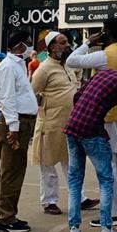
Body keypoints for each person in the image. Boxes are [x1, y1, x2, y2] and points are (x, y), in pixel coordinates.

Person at [67, 19, 117, 227]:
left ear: (105, 33)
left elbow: (72, 61)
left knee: (107, 168)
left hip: (104, 117)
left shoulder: (103, 56)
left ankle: (113, 212)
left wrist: (88, 42)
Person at [63, 65, 117, 232]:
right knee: (106, 179)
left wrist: (87, 116)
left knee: (74, 180)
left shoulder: (102, 73)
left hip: (72, 127)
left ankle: (74, 230)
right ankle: (106, 228)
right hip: (93, 133)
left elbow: (77, 95)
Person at [0, 29, 38, 232]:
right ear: (20, 45)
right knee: (11, 171)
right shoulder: (9, 67)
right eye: (28, 43)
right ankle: (4, 218)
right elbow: (7, 99)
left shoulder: (19, 65)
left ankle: (9, 215)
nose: (31, 48)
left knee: (17, 169)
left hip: (22, 121)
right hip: (14, 122)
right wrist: (14, 128)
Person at [30, 32, 77, 215]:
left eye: (67, 42)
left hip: (69, 123)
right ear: (52, 47)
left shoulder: (68, 66)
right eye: (63, 42)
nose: (67, 45)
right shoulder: (43, 69)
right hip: (49, 124)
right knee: (48, 165)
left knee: (72, 164)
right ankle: (49, 201)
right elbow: (32, 94)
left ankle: (79, 197)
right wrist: (44, 102)